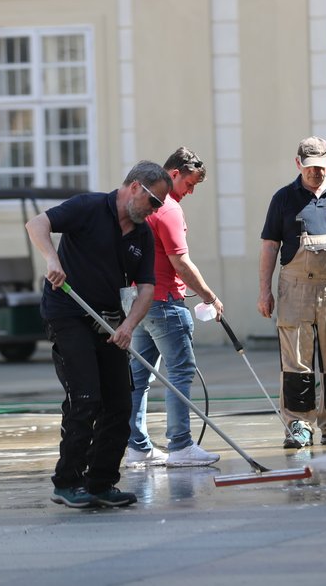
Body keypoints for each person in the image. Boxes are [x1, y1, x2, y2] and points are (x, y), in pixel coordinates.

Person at [25, 161, 173, 508]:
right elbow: (37, 224)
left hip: (109, 321)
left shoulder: (141, 234)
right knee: (86, 396)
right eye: (154, 201)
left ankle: (100, 482)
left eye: (160, 206)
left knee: (120, 402)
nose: (155, 210)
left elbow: (148, 288)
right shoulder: (88, 207)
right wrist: (52, 259)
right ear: (135, 187)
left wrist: (128, 326)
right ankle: (67, 481)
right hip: (68, 314)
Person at [258, 136, 326, 448]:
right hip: (295, 288)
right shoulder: (283, 198)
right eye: (309, 167)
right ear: (298, 164)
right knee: (297, 360)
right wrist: (264, 291)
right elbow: (269, 246)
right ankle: (298, 424)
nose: (315, 172)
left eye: (320, 167)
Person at [125, 147, 224, 468]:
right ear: (175, 174)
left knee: (138, 378)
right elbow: (180, 263)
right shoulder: (168, 210)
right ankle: (180, 445)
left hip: (139, 302)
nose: (190, 192)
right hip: (165, 302)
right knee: (180, 373)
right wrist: (209, 295)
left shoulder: (144, 208)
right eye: (190, 184)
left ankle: (137, 447)